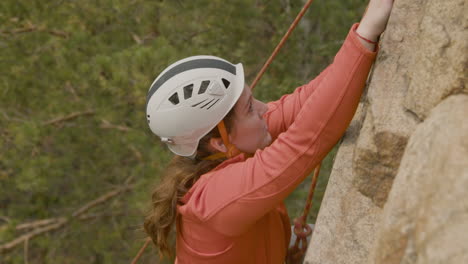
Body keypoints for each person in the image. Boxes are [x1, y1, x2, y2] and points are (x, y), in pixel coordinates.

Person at [144, 1, 394, 263]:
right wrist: (366, 33)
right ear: (219, 142)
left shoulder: (231, 146)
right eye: (250, 108)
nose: (265, 109)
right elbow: (303, 143)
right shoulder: (215, 200)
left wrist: (366, 29)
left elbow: (303, 103)